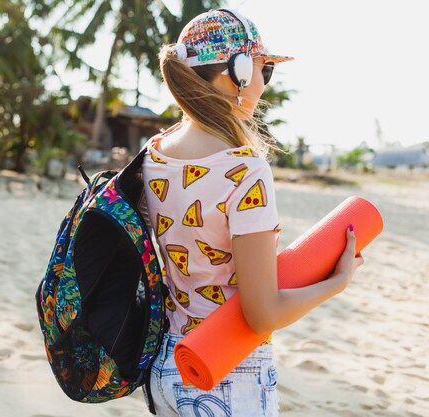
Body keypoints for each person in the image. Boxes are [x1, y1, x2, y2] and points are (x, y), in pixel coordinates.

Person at [140, 8, 365, 417]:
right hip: (228, 372)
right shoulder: (245, 170)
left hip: (166, 365)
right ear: (238, 72)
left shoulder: (153, 154)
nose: (264, 84)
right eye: (265, 70)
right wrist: (336, 282)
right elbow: (262, 314)